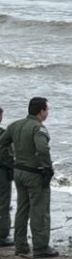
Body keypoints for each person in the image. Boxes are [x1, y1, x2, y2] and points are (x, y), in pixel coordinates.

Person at [0, 97, 57, 258]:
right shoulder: (38, 128)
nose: (47, 112)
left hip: (19, 172)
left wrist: (10, 161)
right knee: (39, 209)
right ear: (41, 111)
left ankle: (20, 245)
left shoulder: (15, 125)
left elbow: (2, 143)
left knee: (22, 209)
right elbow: (42, 148)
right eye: (47, 109)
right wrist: (47, 167)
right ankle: (40, 247)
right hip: (34, 173)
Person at [0, 104, 10, 247]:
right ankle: (1, 235)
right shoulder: (2, 134)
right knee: (3, 203)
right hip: (1, 171)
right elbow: (6, 155)